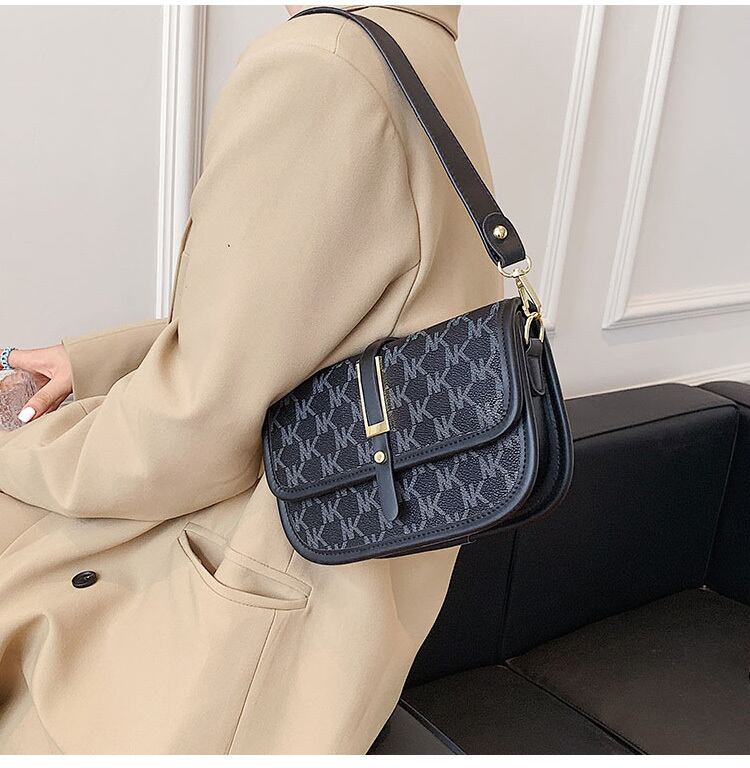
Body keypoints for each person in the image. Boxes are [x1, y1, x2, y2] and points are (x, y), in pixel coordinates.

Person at [0, 5, 502, 754]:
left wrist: (17, 453)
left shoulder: (323, 65)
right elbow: (326, 327)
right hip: (341, 623)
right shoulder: (419, 52)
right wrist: (99, 362)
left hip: (234, 638)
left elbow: (189, 427)